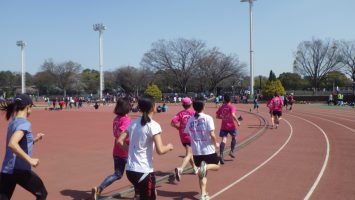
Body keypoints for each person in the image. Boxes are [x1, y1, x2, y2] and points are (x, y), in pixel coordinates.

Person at [118, 96, 173, 200]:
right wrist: (169, 147)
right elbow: (160, 150)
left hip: (130, 171)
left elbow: (120, 141)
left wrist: (130, 151)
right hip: (144, 171)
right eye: (155, 104)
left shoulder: (133, 123)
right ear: (152, 107)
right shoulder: (153, 125)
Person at [0, 94, 47, 200]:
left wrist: (34, 139)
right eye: (31, 107)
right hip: (20, 171)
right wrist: (30, 160)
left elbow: (20, 143)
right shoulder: (24, 123)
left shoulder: (13, 122)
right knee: (42, 193)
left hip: (7, 170)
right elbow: (12, 144)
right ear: (28, 107)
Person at [92, 98, 131, 200]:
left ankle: (100, 188)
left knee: (117, 174)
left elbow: (116, 133)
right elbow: (123, 134)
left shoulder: (116, 119)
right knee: (135, 172)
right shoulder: (126, 120)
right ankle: (139, 191)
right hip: (126, 150)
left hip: (116, 151)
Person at [184, 97, 220, 200]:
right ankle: (206, 167)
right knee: (217, 166)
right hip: (208, 149)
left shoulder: (191, 119)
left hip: (196, 151)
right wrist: (216, 143)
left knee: (202, 175)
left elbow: (186, 132)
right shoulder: (208, 118)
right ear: (203, 106)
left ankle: (203, 194)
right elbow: (212, 134)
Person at [171, 97, 198, 182]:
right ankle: (180, 169)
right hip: (191, 135)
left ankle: (194, 168)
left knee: (189, 152)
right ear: (191, 104)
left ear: (183, 105)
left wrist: (178, 127)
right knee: (189, 154)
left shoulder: (180, 114)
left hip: (182, 136)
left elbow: (172, 122)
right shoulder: (194, 113)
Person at [216, 94, 241, 165]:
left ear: (224, 100)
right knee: (234, 137)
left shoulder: (222, 107)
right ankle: (232, 151)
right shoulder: (232, 106)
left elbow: (217, 116)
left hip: (224, 126)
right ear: (230, 100)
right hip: (231, 126)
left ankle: (221, 154)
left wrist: (224, 117)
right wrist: (238, 121)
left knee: (224, 139)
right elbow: (233, 114)